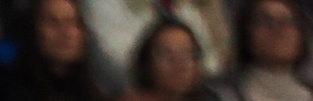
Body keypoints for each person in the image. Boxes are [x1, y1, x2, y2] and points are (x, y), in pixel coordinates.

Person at [88, 0, 234, 84]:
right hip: (136, 98)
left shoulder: (200, 4)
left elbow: (219, 59)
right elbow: (122, 65)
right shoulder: (104, 3)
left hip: (204, 95)